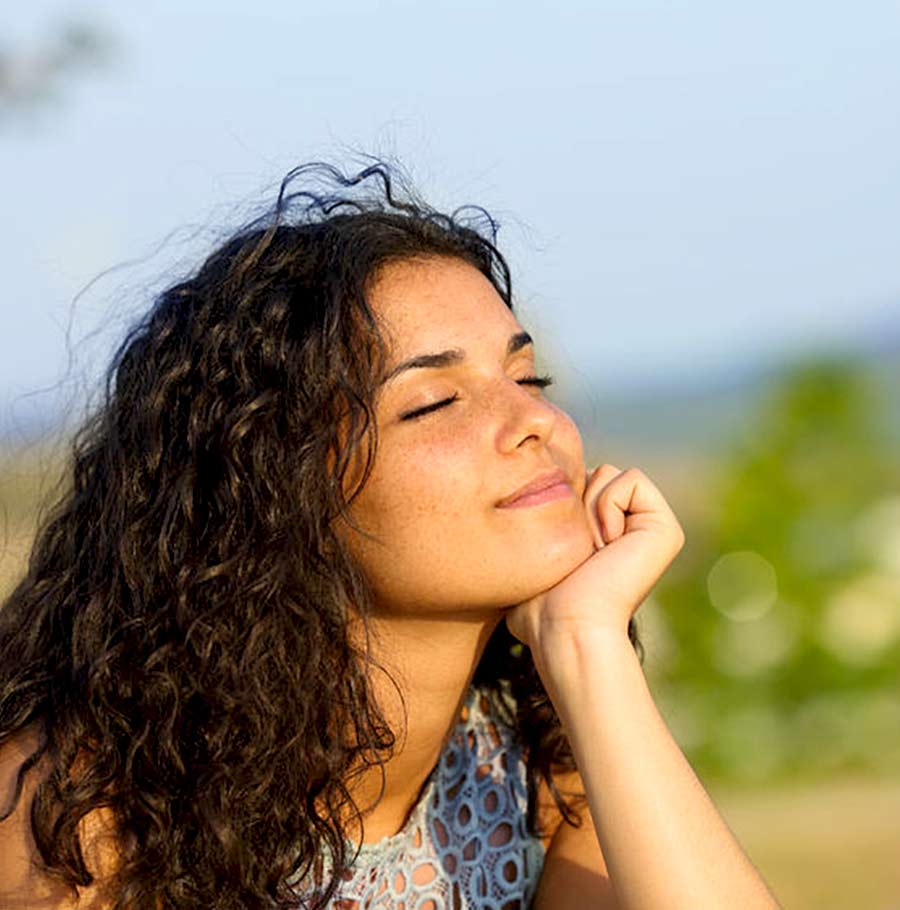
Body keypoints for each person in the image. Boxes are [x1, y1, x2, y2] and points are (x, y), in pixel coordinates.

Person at [0, 159, 782, 909]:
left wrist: (585, 643)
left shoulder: (536, 762)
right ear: (277, 490)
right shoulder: (76, 823)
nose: (535, 422)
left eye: (526, 378)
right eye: (435, 402)